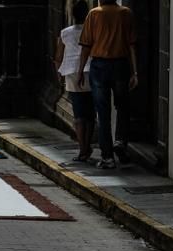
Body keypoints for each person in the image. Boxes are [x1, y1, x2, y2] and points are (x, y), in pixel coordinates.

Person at [76, 0, 137, 168]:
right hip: (120, 65)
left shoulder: (94, 14)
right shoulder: (126, 13)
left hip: (99, 66)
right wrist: (134, 72)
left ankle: (107, 157)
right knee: (123, 106)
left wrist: (80, 71)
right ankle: (120, 141)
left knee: (102, 112)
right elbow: (131, 46)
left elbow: (86, 46)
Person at [55, 0, 93, 163]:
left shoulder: (65, 33)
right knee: (90, 112)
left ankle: (82, 148)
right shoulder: (92, 31)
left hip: (71, 72)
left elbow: (58, 57)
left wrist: (59, 75)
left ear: (72, 14)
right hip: (90, 71)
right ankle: (87, 146)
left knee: (78, 112)